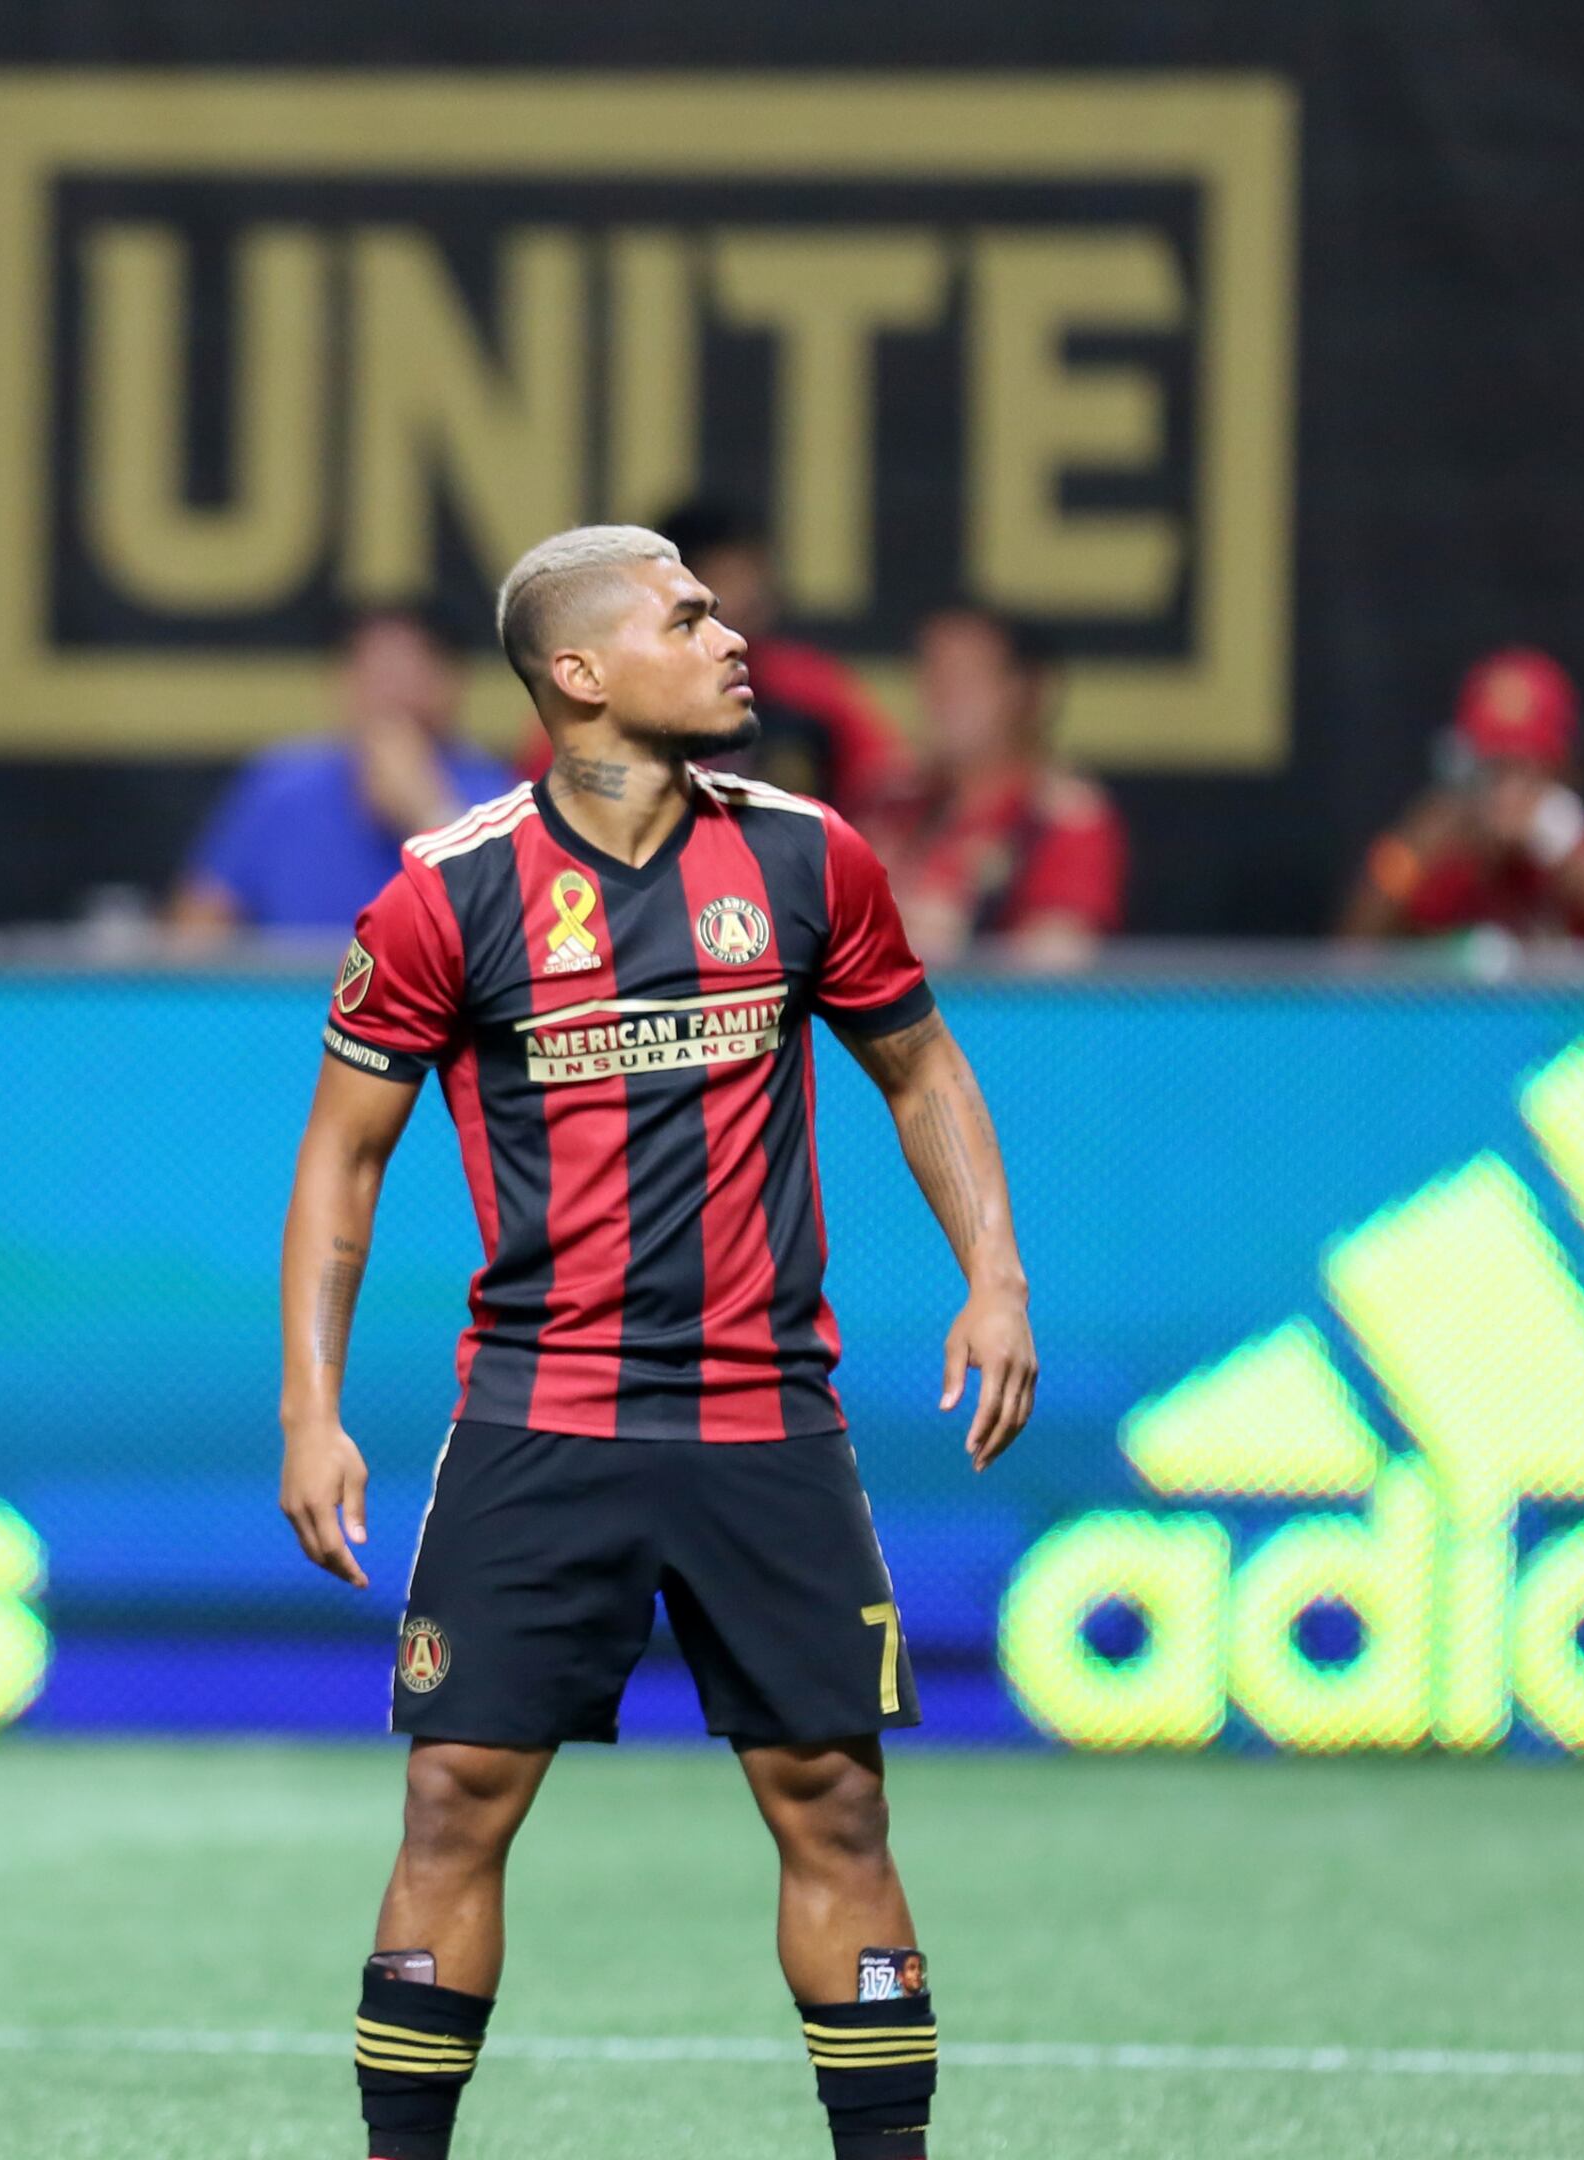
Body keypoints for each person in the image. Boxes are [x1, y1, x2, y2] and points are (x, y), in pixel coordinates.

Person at [279, 524, 1037, 2160]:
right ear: (579, 673)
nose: (729, 637)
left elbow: (920, 1068)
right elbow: (342, 1158)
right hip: (540, 1417)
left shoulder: (808, 859)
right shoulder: (446, 896)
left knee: (835, 1805)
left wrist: (998, 1277)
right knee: (452, 1802)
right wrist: (313, 1410)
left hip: (771, 1418)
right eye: (685, 618)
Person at [509, 499, 906, 821]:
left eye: (757, 577)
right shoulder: (598, 693)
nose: (751, 596)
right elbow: (541, 810)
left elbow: (886, 787)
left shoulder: (809, 690)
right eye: (730, 578)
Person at [170, 609, 513, 941]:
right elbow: (196, 930)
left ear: (452, 684)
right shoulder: (281, 788)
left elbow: (519, 944)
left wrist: (429, 813)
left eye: (410, 674)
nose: (391, 696)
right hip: (294, 997)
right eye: (376, 675)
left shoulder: (500, 798)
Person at [1342, 647, 1584, 944]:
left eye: (1528, 770)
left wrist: (1556, 841)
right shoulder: (1435, 859)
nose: (1509, 792)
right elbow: (1353, 946)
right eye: (1496, 769)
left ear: (1568, 773)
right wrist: (1414, 850)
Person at [886, 606, 1124, 969]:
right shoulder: (889, 803)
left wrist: (946, 944)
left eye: (965, 677)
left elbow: (1057, 968)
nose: (942, 696)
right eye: (932, 673)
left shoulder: (1063, 820)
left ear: (1022, 692)